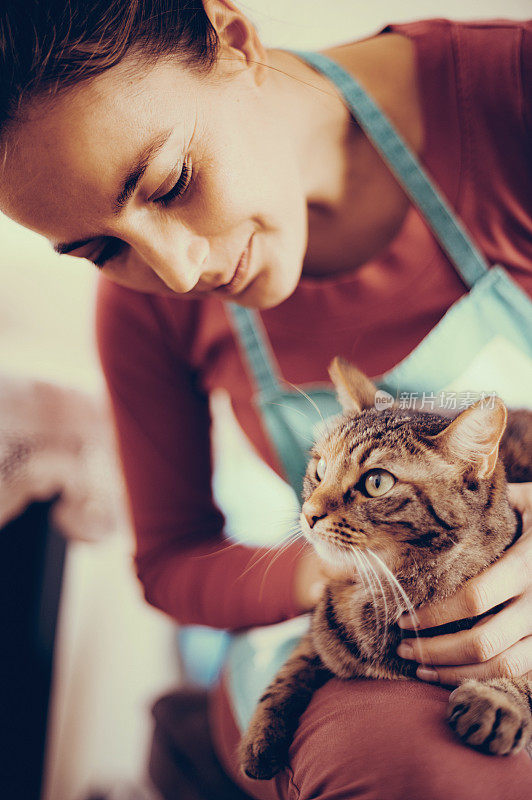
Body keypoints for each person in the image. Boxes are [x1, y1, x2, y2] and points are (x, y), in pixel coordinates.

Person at [0, 2, 531, 798]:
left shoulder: (509, 96)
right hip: (365, 626)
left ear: (236, 41)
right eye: (101, 250)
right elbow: (173, 561)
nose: (178, 274)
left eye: (171, 181)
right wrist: (334, 570)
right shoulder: (145, 309)